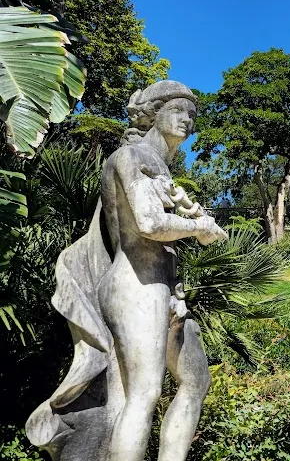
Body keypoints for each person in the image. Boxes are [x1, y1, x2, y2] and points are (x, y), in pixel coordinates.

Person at [28, 81, 228, 461]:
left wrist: (180, 281)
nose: (187, 120)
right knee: (143, 393)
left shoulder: (159, 167)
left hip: (161, 286)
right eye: (178, 111)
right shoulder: (131, 156)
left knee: (195, 379)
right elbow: (150, 224)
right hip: (136, 284)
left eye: (192, 115)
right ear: (154, 113)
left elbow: (166, 240)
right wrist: (200, 227)